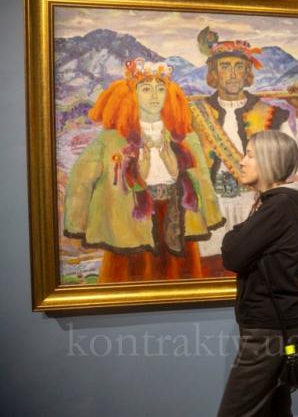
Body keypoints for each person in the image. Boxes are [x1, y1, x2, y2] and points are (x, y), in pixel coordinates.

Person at [64, 58, 224, 282]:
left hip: (177, 217)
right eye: (146, 89)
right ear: (132, 95)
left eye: (161, 89)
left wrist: (211, 214)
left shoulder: (187, 138)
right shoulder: (110, 140)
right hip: (129, 220)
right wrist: (77, 223)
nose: (155, 96)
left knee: (179, 279)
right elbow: (80, 180)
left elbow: (202, 180)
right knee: (132, 278)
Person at [190, 27, 298, 276]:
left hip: (255, 209)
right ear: (214, 74)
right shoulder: (194, 115)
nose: (233, 74)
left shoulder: (270, 114)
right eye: (225, 66)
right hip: (209, 211)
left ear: (247, 73)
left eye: (239, 67)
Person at [218, 130, 298, 417]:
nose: (241, 161)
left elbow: (232, 254)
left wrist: (235, 233)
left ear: (269, 161)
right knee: (274, 410)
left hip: (269, 332)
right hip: (278, 326)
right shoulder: (277, 204)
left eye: (250, 155)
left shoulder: (278, 206)